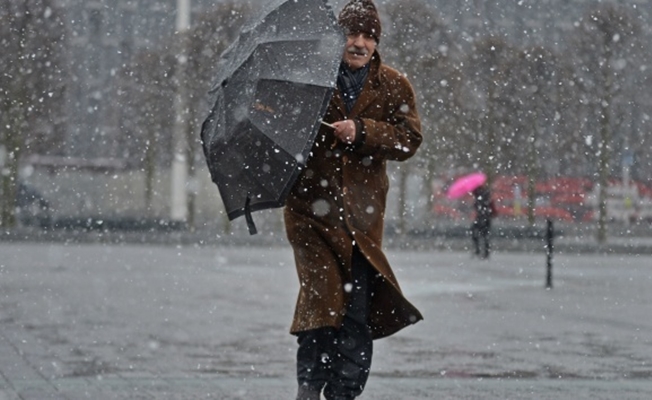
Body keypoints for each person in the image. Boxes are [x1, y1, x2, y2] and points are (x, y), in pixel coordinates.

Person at [283, 1, 424, 399]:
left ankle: (344, 391)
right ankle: (309, 386)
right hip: (310, 214)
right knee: (321, 303)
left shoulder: (394, 85)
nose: (360, 43)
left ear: (377, 42)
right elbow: (281, 130)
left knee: (356, 313)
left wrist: (362, 131)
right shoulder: (308, 81)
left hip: (362, 220)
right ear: (338, 37)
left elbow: (409, 139)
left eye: (369, 36)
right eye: (352, 34)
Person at [471, 184, 495, 259]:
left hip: (481, 218)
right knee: (485, 236)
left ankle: (478, 250)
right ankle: (485, 252)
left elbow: (478, 208)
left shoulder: (480, 198)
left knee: (477, 234)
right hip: (486, 218)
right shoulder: (487, 197)